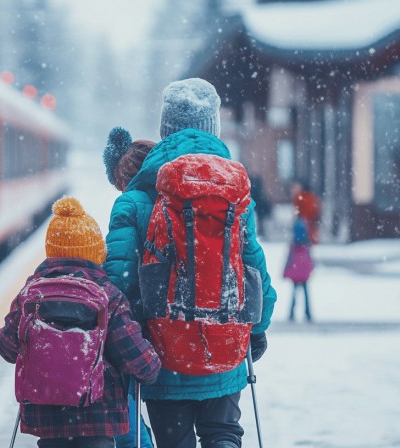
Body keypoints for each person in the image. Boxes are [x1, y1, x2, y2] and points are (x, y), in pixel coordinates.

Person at [104, 78, 278, 448]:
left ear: (164, 129)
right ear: (212, 128)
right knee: (223, 434)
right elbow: (254, 268)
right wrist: (258, 328)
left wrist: (124, 340)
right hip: (225, 346)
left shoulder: (135, 198)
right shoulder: (233, 191)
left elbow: (117, 281)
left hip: (162, 353)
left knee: (174, 441)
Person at [0, 196, 162, 448]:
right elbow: (140, 362)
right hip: (98, 422)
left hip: (47, 421)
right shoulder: (108, 294)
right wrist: (152, 363)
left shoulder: (31, 293)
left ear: (50, 250)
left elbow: (6, 347)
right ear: (96, 252)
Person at [102, 127, 157, 448]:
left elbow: (119, 277)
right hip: (186, 322)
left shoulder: (129, 204)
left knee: (124, 407)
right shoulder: (180, 197)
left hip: (140, 322)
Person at [284, 216, 314, 321]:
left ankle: (291, 313)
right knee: (305, 293)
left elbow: (289, 260)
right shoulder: (306, 245)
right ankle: (308, 313)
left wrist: (285, 271)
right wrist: (311, 269)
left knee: (294, 294)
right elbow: (310, 260)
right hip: (304, 273)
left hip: (295, 272)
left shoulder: (293, 246)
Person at [291, 179, 320, 244]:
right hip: (308, 222)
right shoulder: (310, 196)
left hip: (304, 222)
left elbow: (297, 211)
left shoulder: (300, 197)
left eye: (295, 187)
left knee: (301, 241)